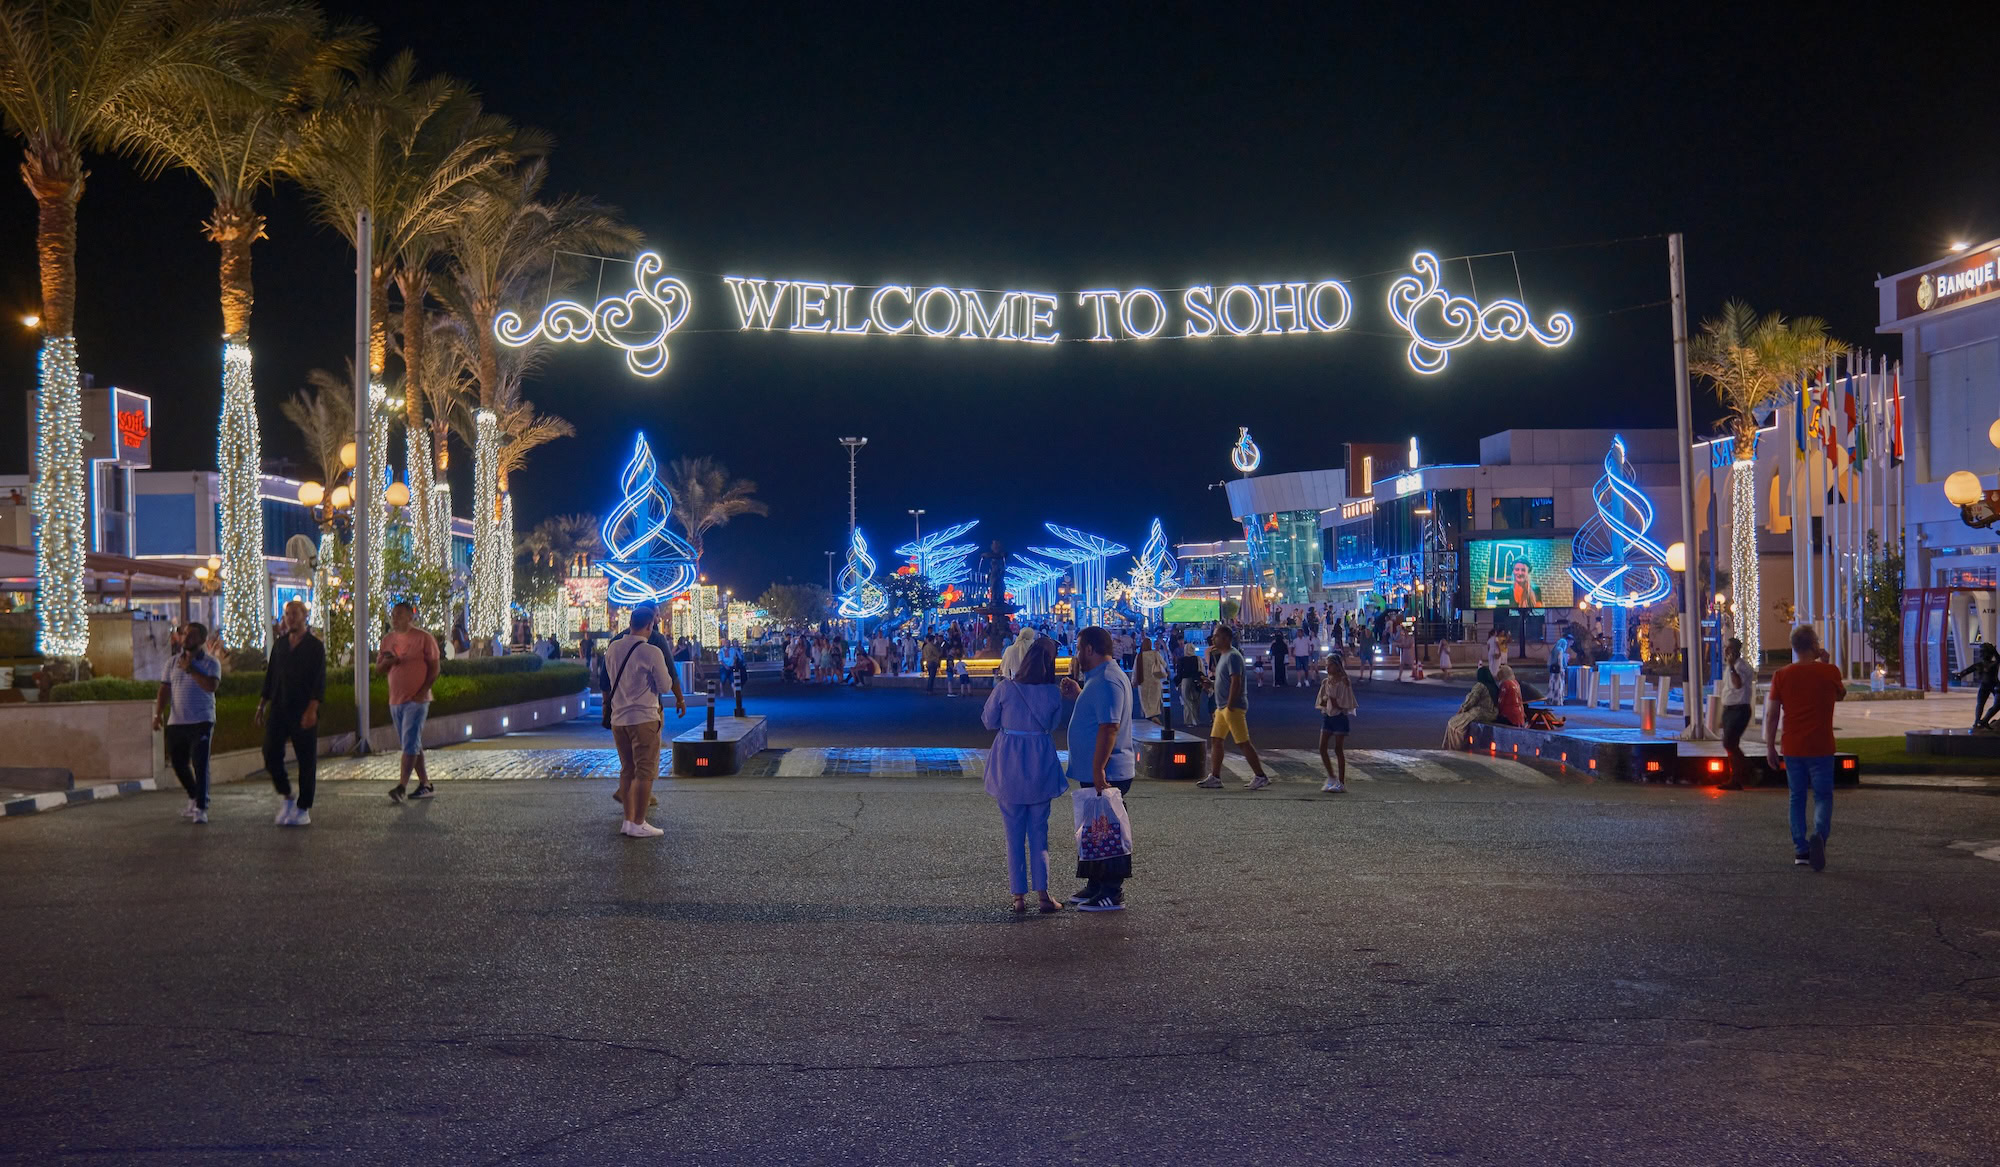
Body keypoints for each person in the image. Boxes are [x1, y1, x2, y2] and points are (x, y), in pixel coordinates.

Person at [981, 636, 1068, 914]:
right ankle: (1043, 894)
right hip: (1040, 761)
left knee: (1013, 833)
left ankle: (1018, 896)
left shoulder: (1006, 689)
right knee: (1039, 832)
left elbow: (988, 721)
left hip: (1009, 763)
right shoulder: (1053, 692)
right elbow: (1053, 725)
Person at [1059, 627, 1135, 911]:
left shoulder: (1107, 679)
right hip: (1099, 769)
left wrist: (1098, 768)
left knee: (1108, 829)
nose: (1077, 653)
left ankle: (1111, 891)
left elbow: (1109, 726)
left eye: (1079, 647)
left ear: (1089, 649)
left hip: (1109, 770)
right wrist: (1080, 694)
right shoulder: (1099, 680)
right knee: (1094, 828)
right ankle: (1095, 884)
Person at [1764, 624, 1845, 871]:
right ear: (1814, 645)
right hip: (1821, 745)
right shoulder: (1829, 671)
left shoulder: (1781, 675)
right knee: (1823, 795)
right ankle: (1819, 836)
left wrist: (1769, 745)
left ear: (1794, 647)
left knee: (1796, 797)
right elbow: (1840, 695)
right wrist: (1827, 663)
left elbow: (1771, 714)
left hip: (1793, 745)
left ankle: (1801, 849)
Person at [606, 605, 684, 838]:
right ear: (650, 625)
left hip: (619, 719)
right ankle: (639, 822)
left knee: (627, 769)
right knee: (645, 772)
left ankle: (628, 821)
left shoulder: (613, 648)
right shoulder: (651, 651)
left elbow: (608, 680)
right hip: (644, 719)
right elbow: (664, 686)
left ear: (630, 622)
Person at [257, 599, 325, 827]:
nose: (291, 617)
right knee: (269, 752)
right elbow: (271, 676)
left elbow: (319, 680)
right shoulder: (280, 645)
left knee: (306, 760)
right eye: (288, 614)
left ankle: (304, 807)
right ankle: (286, 795)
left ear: (305, 615)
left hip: (303, 709)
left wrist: (312, 709)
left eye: (295, 613)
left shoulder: (315, 646)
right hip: (279, 707)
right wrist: (262, 704)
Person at [155, 621, 220, 824]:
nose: (186, 639)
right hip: (177, 722)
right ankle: (193, 795)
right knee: (178, 763)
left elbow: (211, 686)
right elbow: (164, 689)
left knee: (200, 764)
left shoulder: (211, 663)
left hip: (202, 720)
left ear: (201, 639)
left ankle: (201, 808)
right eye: (184, 635)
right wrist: (158, 714)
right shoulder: (172, 662)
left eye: (191, 635)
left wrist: (191, 669)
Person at [378, 602, 442, 802]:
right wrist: (389, 662)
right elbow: (378, 669)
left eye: (399, 615)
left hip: (417, 700)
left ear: (410, 617)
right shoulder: (388, 640)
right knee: (411, 743)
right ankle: (425, 783)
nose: (394, 619)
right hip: (395, 699)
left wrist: (423, 691)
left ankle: (401, 786)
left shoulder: (423, 638)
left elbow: (434, 668)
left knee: (409, 743)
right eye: (393, 615)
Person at [1196, 624, 1268, 790]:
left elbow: (1236, 681)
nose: (1213, 639)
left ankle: (1260, 775)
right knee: (1216, 739)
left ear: (1226, 638)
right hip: (1223, 707)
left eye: (1216, 636)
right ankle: (1215, 776)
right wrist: (1211, 684)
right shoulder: (1224, 656)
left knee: (1242, 741)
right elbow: (1226, 682)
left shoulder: (1233, 656)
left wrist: (1229, 704)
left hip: (1232, 706)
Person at [1315, 651, 1356, 792]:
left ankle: (1341, 782)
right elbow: (1321, 701)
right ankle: (1331, 776)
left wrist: (1331, 699)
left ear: (1337, 666)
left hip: (1339, 717)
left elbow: (1344, 704)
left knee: (1338, 749)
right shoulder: (1326, 682)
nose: (1327, 668)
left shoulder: (1344, 682)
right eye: (1326, 665)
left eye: (1330, 665)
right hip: (1328, 716)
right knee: (1322, 747)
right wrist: (1325, 701)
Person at [1718, 637, 1756, 789]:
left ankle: (1749, 772)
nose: (1726, 651)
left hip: (1739, 710)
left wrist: (1733, 667)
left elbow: (1738, 684)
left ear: (1736, 650)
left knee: (1730, 743)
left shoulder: (1741, 666)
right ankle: (1738, 777)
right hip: (1730, 709)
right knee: (1730, 744)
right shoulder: (1730, 666)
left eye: (1729, 648)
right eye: (1726, 647)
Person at [1444, 666, 1500, 750]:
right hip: (1493, 714)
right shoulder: (1494, 686)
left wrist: (1462, 709)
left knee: (1453, 724)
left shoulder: (1480, 686)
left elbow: (1471, 700)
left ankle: (1455, 747)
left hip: (1480, 713)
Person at [1952, 642, 2000, 729]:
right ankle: (1977, 721)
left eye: (1983, 652)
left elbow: (1999, 659)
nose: (1981, 653)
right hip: (1986, 686)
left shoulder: (1993, 664)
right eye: (1981, 652)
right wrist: (1960, 675)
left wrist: (1995, 651)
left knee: (1995, 704)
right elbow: (1967, 671)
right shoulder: (1979, 665)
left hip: (1995, 686)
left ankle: (1984, 721)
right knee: (1980, 704)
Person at [1175, 637, 1207, 732]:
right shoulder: (1197, 659)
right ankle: (1196, 719)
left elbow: (1179, 673)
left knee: (1187, 701)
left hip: (1185, 681)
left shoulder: (1181, 660)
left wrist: (1177, 683)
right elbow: (1201, 670)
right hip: (1195, 680)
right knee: (1196, 700)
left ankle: (1188, 720)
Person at [1134, 637, 1167, 724]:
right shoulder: (1155, 654)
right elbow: (1164, 664)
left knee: (1145, 701)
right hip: (1155, 681)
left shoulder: (1139, 656)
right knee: (1154, 700)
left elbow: (1135, 669)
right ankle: (1154, 716)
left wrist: (1134, 681)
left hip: (1143, 682)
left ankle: (1149, 716)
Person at [1495, 662, 1526, 727]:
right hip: (1520, 714)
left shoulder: (1505, 684)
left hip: (1509, 716)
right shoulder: (1516, 683)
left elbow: (1501, 701)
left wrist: (1496, 711)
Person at [1546, 634, 1568, 706]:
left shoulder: (1554, 649)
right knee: (1558, 686)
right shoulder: (1560, 650)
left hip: (1553, 670)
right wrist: (1562, 669)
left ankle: (1550, 700)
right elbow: (1560, 660)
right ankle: (1557, 701)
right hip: (1558, 671)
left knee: (1552, 686)